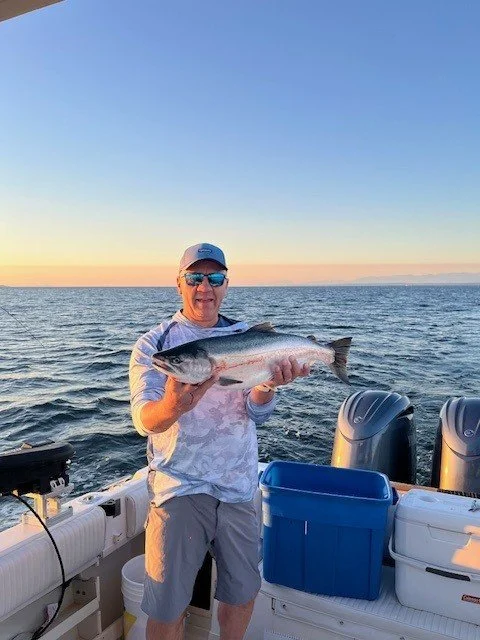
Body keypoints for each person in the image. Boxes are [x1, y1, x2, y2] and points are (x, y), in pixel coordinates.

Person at [129, 243, 310, 640]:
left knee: (243, 593)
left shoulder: (244, 335)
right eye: (195, 277)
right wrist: (173, 406)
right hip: (179, 486)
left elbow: (257, 413)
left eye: (214, 278)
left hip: (239, 484)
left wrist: (267, 386)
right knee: (166, 605)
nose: (204, 287)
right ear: (179, 283)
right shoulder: (155, 345)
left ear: (226, 284)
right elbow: (145, 420)